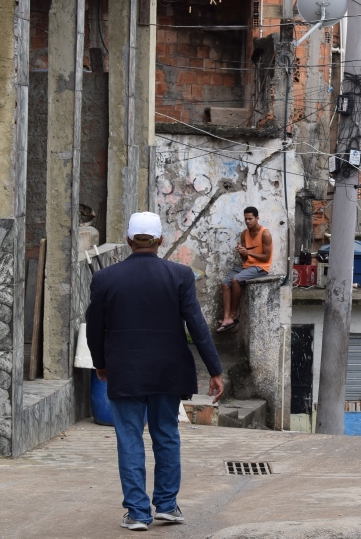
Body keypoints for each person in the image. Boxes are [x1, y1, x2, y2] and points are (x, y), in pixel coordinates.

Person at [86, 212, 224, 531]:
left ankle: (137, 513)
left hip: (124, 370)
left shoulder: (105, 279)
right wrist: (214, 370)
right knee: (166, 435)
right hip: (168, 371)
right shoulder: (180, 275)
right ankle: (166, 505)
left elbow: (95, 328)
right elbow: (197, 326)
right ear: (160, 241)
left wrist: (101, 363)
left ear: (129, 241)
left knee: (130, 438)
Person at [218, 206, 272, 331]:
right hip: (247, 265)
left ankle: (233, 314)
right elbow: (244, 259)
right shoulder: (244, 234)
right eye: (246, 219)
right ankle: (226, 318)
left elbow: (266, 257)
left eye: (250, 219)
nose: (247, 221)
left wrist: (249, 253)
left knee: (236, 280)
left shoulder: (265, 233)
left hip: (261, 267)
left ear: (257, 218)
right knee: (225, 284)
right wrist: (241, 252)